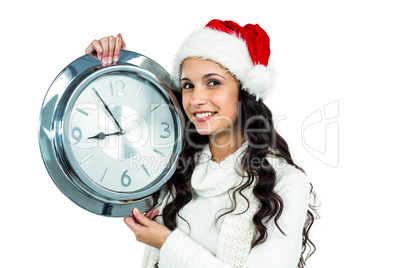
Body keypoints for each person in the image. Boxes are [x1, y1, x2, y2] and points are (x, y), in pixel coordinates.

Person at [85, 19, 318, 268]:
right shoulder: (175, 168)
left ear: (244, 90)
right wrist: (102, 66)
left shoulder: (286, 183)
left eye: (213, 83)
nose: (196, 99)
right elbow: (121, 147)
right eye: (188, 86)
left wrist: (168, 243)